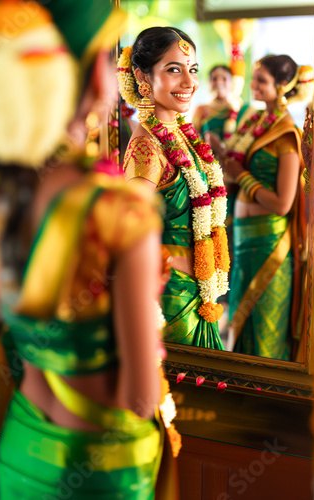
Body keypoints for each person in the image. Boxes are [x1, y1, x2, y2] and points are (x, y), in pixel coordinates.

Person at [0, 1, 178, 498]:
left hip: (19, 446)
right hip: (101, 466)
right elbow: (138, 397)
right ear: (95, 75)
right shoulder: (120, 210)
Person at [118, 27, 230, 349]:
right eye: (173, 70)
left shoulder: (183, 134)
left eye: (192, 69)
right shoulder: (147, 147)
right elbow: (130, 236)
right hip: (173, 300)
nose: (189, 82)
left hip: (199, 292)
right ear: (142, 77)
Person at [215, 55, 314, 359]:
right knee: (238, 325)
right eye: (254, 78)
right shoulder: (256, 122)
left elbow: (283, 203)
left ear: (282, 86)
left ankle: (262, 397)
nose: (254, 86)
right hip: (243, 238)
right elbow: (235, 168)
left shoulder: (286, 134)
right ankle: (239, 396)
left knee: (264, 327)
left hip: (270, 244)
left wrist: (241, 175)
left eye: (262, 80)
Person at [192, 65, 238, 141]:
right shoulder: (201, 110)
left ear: (231, 82)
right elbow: (193, 139)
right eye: (214, 79)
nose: (219, 83)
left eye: (224, 79)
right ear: (209, 83)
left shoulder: (238, 108)